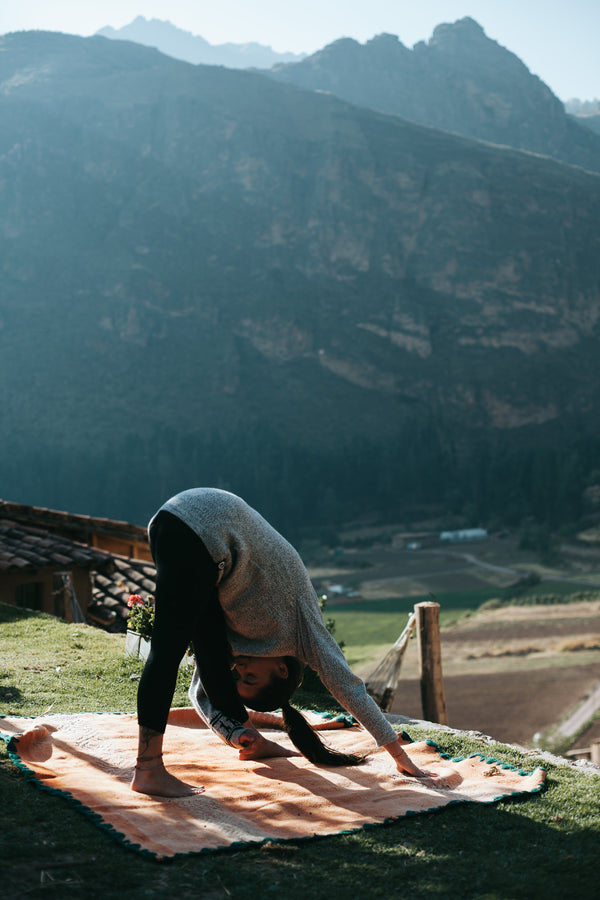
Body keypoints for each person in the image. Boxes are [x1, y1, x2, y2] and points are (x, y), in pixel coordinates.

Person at [132, 488, 429, 797]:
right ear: (283, 670)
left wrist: (238, 733)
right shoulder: (301, 629)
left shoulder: (239, 644)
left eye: (240, 676)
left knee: (208, 657)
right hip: (205, 532)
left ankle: (247, 741)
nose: (241, 667)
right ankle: (149, 769)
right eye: (250, 677)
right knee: (168, 651)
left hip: (173, 525)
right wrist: (397, 753)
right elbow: (346, 684)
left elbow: (203, 686)